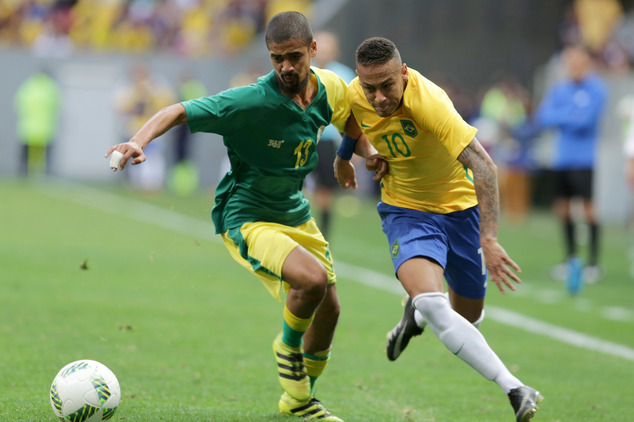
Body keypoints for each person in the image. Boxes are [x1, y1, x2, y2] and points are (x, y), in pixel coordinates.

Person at [105, 11, 383, 422]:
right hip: (247, 217)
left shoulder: (331, 87)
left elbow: (350, 121)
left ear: (313, 50)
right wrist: (136, 140)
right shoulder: (249, 100)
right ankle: (288, 352)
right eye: (276, 58)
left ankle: (298, 399)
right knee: (312, 281)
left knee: (331, 310)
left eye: (293, 57)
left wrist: (354, 156)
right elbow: (178, 111)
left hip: (294, 210)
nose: (286, 67)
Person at [334, 37, 543, 422]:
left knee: (468, 319)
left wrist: (489, 238)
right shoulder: (354, 92)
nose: (378, 97)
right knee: (434, 302)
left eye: (387, 86)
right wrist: (351, 155)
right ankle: (514, 387)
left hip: (459, 212)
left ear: (404, 74)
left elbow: (484, 167)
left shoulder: (430, 102)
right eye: (370, 88)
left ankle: (414, 315)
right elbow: (352, 116)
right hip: (405, 209)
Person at [536, 44, 608, 285]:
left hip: (584, 160)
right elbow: (544, 117)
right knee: (563, 209)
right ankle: (570, 260)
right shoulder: (560, 88)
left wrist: (565, 116)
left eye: (577, 61)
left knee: (588, 209)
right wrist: (571, 114)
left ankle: (594, 264)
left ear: (587, 62)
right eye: (570, 62)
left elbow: (586, 121)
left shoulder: (597, 88)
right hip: (562, 159)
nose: (573, 66)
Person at [309, 30, 357, 240]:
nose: (324, 52)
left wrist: (353, 145)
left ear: (335, 51)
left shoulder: (344, 75)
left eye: (328, 47)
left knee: (325, 191)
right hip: (301, 137)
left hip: (328, 142)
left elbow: (355, 113)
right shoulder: (304, 72)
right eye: (321, 47)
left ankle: (323, 238)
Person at [14, 69, 61, 177]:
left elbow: (17, 105)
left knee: (25, 154)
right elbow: (57, 108)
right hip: (45, 128)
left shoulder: (28, 86)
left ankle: (22, 173)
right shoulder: (51, 88)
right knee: (46, 154)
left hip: (27, 127)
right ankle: (46, 174)